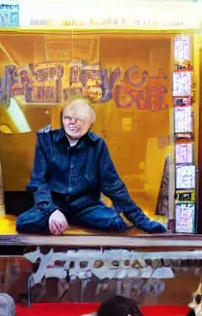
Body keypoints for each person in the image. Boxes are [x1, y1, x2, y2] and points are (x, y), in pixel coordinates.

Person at [16, 99, 167, 236]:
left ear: (89, 124)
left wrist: (143, 221)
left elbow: (113, 185)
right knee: (23, 222)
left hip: (87, 207)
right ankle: (58, 220)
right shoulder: (46, 140)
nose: (72, 123)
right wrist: (51, 211)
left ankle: (72, 221)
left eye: (79, 120)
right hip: (54, 205)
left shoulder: (97, 145)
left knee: (115, 223)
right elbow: (38, 182)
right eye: (68, 118)